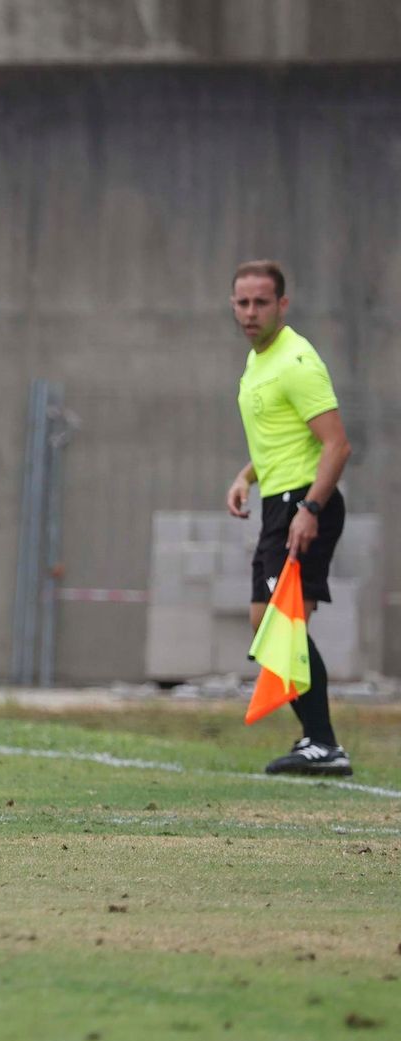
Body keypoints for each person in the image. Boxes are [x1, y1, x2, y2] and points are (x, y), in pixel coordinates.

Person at [225, 260, 354, 776]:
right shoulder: (259, 361)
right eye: (242, 302)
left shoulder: (296, 360)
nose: (250, 312)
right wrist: (246, 476)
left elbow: (337, 446)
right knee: (269, 625)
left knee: (280, 627)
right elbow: (282, 436)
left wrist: (310, 509)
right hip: (278, 503)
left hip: (304, 505)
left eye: (261, 302)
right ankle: (317, 741)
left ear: (282, 304)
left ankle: (323, 744)